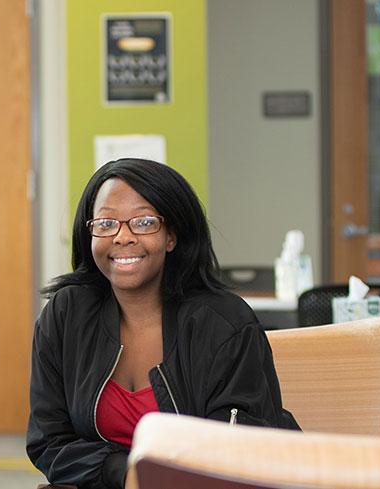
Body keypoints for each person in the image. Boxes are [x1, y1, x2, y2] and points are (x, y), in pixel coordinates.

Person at [26, 158, 299, 489]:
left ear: (172, 236)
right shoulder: (66, 315)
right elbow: (48, 441)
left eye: (143, 222)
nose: (122, 237)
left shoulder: (225, 324)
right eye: (106, 223)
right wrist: (127, 474)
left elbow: (239, 448)